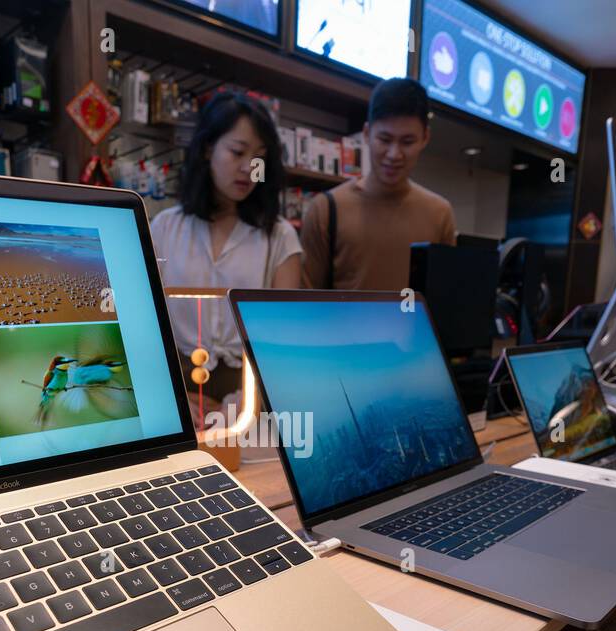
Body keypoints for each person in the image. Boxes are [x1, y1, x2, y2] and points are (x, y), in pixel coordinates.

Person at [150, 92, 301, 409]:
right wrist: (173, 397)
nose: (249, 167)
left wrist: (241, 407)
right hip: (174, 387)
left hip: (250, 396)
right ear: (207, 149)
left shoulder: (279, 236)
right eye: (237, 152)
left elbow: (283, 343)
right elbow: (145, 324)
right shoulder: (165, 228)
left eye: (259, 156)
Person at [301, 78, 456, 290]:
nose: (394, 154)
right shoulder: (326, 210)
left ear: (425, 138)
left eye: (407, 142)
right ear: (367, 134)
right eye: (384, 139)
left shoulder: (440, 214)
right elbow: (305, 303)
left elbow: (443, 298)